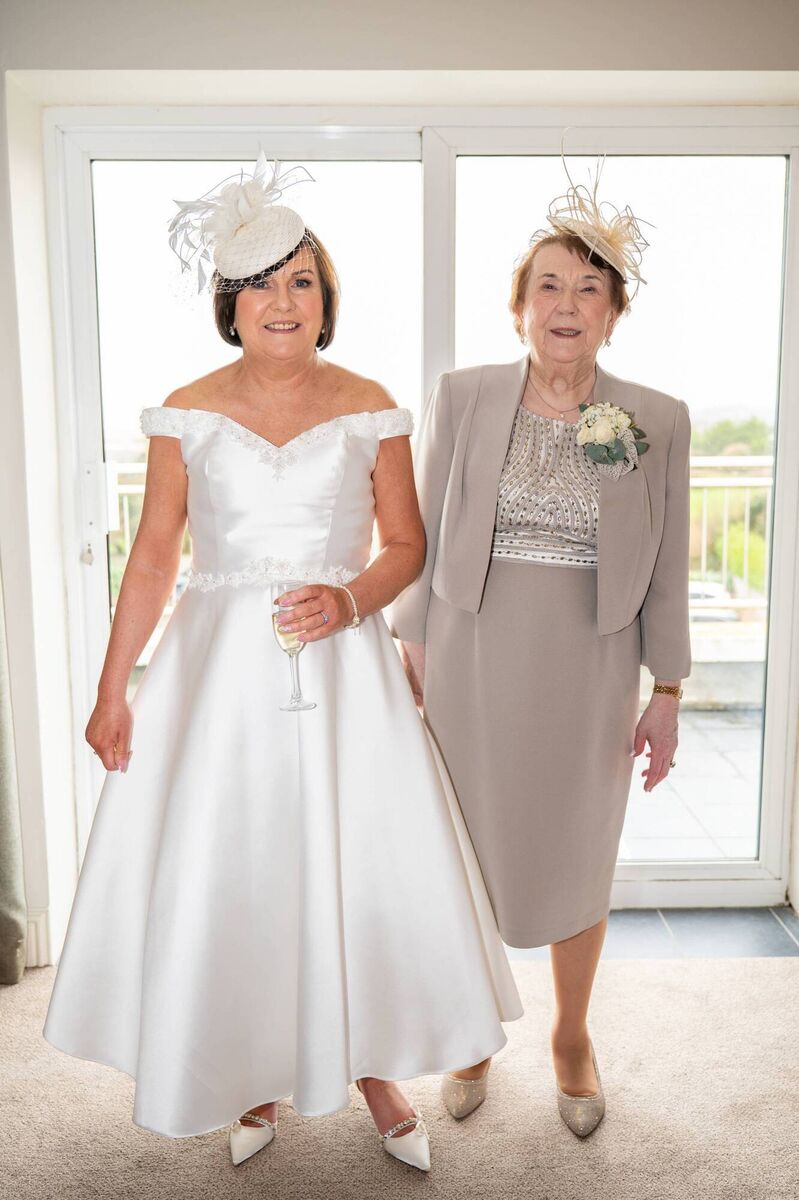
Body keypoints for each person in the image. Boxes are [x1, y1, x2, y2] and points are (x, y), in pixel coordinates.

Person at [43, 152, 523, 1173]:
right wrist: (110, 688)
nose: (283, 299)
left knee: (349, 863)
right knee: (240, 868)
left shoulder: (371, 402)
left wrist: (350, 598)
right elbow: (154, 557)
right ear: (229, 301)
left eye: (302, 280)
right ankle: (252, 1072)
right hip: (213, 676)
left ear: (326, 300)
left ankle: (376, 1077)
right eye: (261, 281)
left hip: (339, 671)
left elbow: (406, 544)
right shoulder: (185, 409)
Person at [391, 152, 691, 1137]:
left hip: (589, 664)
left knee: (575, 853)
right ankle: (474, 1034)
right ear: (518, 306)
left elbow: (663, 566)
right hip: (472, 652)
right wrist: (412, 644)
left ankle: (569, 1037)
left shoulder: (650, 419)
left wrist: (667, 690)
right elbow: (425, 529)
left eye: (588, 288)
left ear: (613, 312)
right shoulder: (466, 395)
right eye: (548, 286)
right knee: (466, 854)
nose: (567, 304)